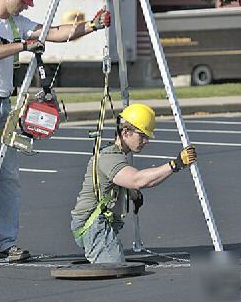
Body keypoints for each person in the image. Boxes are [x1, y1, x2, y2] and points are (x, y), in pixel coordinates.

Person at [0, 0, 111, 264]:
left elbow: (54, 33)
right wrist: (24, 46)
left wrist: (92, 25)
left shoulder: (17, 22)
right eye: (23, 2)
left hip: (3, 106)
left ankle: (3, 243)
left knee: (7, 178)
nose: (25, 7)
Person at [71, 103, 197, 264]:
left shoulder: (117, 154)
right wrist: (176, 164)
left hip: (102, 223)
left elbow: (122, 183)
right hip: (92, 226)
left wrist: (133, 194)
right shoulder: (109, 157)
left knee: (115, 261)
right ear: (125, 132)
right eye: (142, 135)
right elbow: (137, 180)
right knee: (115, 267)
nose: (146, 141)